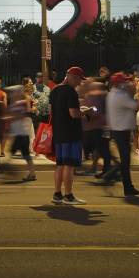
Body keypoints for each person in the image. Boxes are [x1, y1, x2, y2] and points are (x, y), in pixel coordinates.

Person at [49, 66, 86, 205]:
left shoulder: (54, 90)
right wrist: (85, 113)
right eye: (78, 79)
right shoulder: (71, 92)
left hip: (58, 132)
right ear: (72, 77)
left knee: (60, 165)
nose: (79, 83)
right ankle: (68, 195)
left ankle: (57, 194)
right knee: (69, 165)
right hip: (71, 133)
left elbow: (51, 111)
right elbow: (73, 113)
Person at [102, 72, 139, 196]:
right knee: (125, 161)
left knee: (125, 161)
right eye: (124, 81)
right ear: (119, 83)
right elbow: (137, 105)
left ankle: (126, 186)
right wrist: (133, 91)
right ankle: (123, 185)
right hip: (122, 131)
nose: (127, 83)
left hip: (117, 130)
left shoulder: (112, 94)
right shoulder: (121, 95)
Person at [4, 85, 37, 182]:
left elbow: (20, 116)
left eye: (13, 93)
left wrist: (8, 118)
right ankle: (31, 173)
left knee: (16, 154)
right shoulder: (15, 104)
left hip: (21, 134)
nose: (11, 95)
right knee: (24, 154)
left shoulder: (20, 103)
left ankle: (7, 170)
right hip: (19, 133)